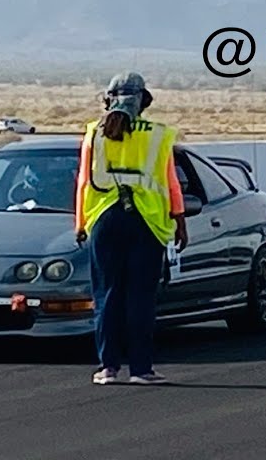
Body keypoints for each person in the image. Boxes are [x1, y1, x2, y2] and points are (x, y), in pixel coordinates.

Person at [75, 72, 188, 385]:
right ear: (143, 101)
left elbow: (83, 181)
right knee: (140, 296)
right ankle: (141, 369)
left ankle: (108, 367)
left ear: (108, 98)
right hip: (147, 220)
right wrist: (179, 220)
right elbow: (171, 182)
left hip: (104, 219)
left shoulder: (93, 133)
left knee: (107, 293)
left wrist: (80, 222)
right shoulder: (158, 134)